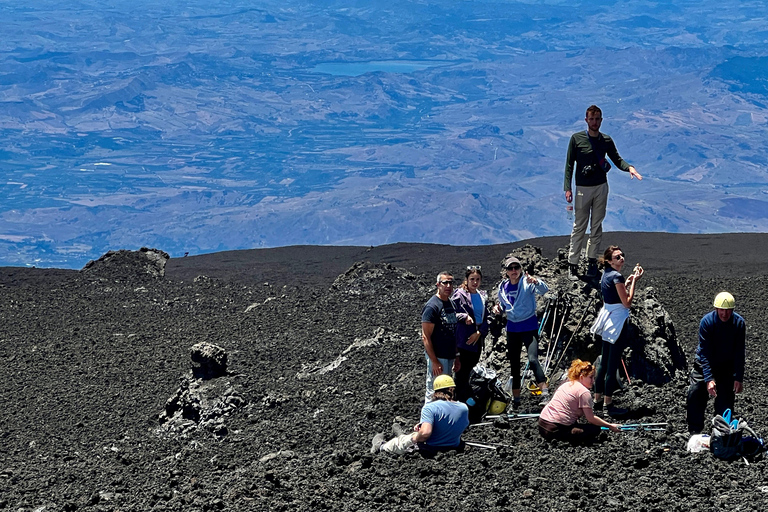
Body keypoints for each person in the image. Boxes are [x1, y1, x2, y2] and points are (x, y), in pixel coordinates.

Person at [563, 105, 643, 280]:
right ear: (586, 120)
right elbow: (569, 164)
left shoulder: (605, 140)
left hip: (601, 188)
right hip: (582, 189)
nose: (594, 122)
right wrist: (567, 188)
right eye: (591, 119)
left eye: (597, 119)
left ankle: (592, 262)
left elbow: (617, 159)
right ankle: (573, 264)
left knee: (596, 226)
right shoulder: (576, 139)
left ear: (601, 120)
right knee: (579, 226)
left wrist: (629, 168)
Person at [590, 245, 643, 416]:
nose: (621, 258)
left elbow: (614, 293)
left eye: (622, 255)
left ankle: (597, 401)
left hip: (607, 320)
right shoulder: (617, 276)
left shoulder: (606, 274)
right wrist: (634, 280)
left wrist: (626, 282)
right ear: (609, 260)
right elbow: (627, 303)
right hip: (617, 322)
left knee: (604, 363)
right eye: (617, 257)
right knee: (612, 364)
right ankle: (608, 404)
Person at [686, 292, 746, 434]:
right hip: (704, 364)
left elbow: (739, 351)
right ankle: (694, 432)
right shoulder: (707, 322)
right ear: (716, 309)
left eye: (728, 310)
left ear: (733, 310)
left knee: (726, 401)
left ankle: (721, 433)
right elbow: (705, 352)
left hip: (726, 366)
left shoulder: (739, 323)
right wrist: (708, 379)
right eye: (721, 310)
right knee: (695, 393)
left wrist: (738, 377)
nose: (724, 314)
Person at [493, 256, 549, 407]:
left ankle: (545, 393)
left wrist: (536, 281)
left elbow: (544, 290)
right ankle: (516, 400)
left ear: (521, 269)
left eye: (516, 268)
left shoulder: (527, 282)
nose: (514, 271)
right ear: (506, 272)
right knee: (514, 364)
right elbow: (504, 306)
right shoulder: (502, 287)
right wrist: (498, 309)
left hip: (529, 327)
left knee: (532, 359)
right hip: (512, 328)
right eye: (510, 268)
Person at [371, 375, 469, 455]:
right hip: (453, 446)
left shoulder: (430, 408)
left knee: (399, 443)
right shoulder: (464, 408)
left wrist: (415, 438)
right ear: (452, 390)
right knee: (415, 433)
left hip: (430, 448)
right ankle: (401, 434)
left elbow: (425, 433)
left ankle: (380, 445)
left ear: (436, 391)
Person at [538, 359, 621, 443]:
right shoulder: (584, 392)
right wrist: (610, 425)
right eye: (590, 377)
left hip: (542, 425)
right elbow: (591, 419)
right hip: (554, 429)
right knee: (595, 429)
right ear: (581, 377)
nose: (593, 381)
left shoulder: (566, 384)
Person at [451, 266, 490, 402]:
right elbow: (451, 313)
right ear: (466, 280)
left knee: (469, 369)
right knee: (461, 372)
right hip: (464, 340)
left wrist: (479, 332)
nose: (475, 282)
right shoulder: (459, 295)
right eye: (472, 279)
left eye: (477, 279)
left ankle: (464, 401)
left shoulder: (483, 296)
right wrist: (464, 316)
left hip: (477, 340)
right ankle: (458, 401)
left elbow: (487, 317)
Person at [421, 271, 459, 403]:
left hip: (450, 356)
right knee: (434, 391)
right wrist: (434, 361)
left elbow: (453, 332)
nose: (448, 285)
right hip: (438, 357)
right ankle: (427, 422)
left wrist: (457, 356)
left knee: (447, 391)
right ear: (438, 285)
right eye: (445, 283)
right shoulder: (432, 306)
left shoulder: (451, 304)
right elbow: (426, 336)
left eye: (451, 282)